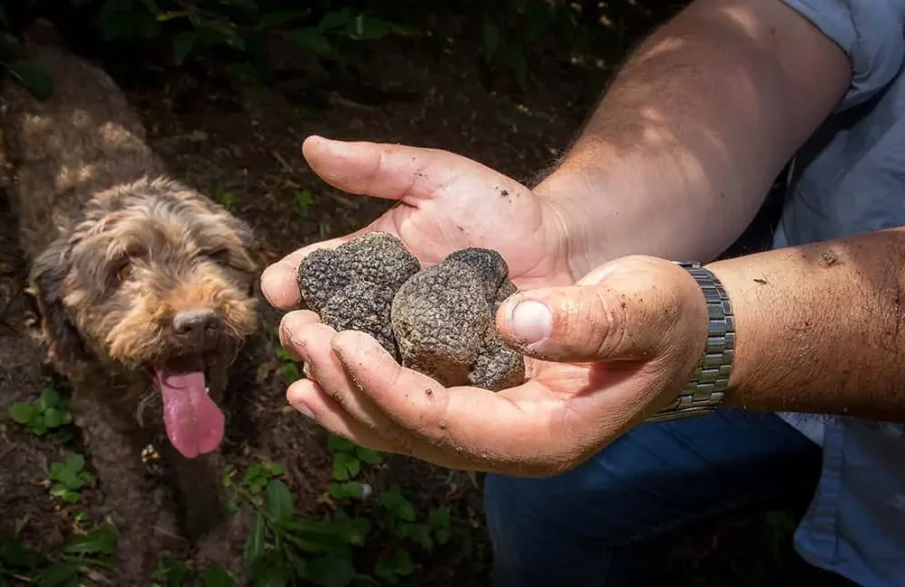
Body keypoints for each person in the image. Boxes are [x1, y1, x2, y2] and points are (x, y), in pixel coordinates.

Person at [259, 0, 905, 585]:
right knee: (549, 502)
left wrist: (710, 335)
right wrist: (572, 227)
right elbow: (775, 29)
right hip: (779, 275)